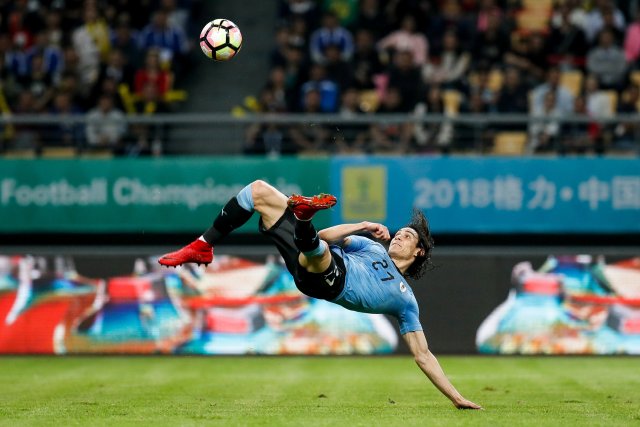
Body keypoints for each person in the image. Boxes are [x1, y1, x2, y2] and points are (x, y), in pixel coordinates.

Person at [158, 180, 482, 410]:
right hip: (311, 256)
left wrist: (455, 397)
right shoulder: (370, 246)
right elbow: (327, 235)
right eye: (399, 232)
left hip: (329, 278)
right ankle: (204, 245)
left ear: (419, 252)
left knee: (319, 252)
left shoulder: (405, 299)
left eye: (407, 237)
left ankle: (304, 217)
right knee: (260, 193)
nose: (398, 237)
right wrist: (363, 224)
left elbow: (423, 355)